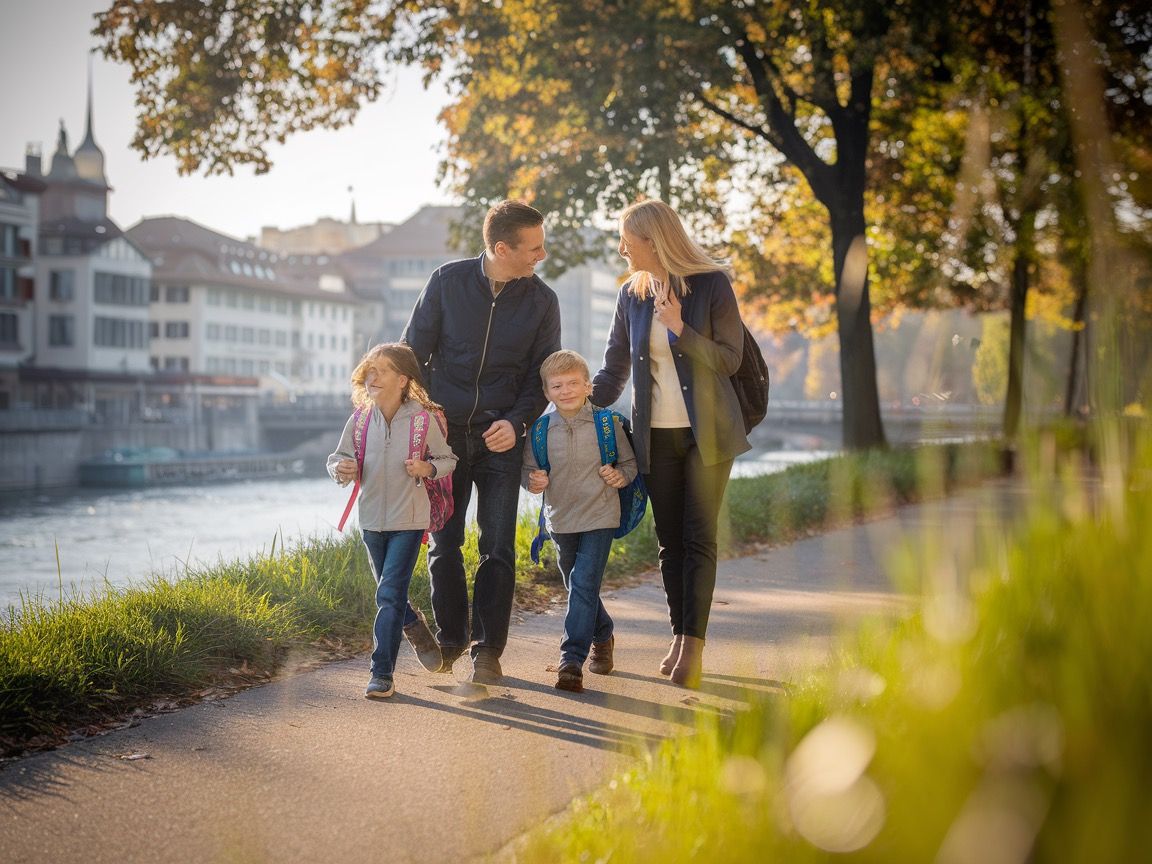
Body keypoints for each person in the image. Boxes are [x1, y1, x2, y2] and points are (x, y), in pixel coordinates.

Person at [591, 199, 750, 689]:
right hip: (653, 440)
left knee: (699, 537)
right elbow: (616, 367)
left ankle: (694, 645)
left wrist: (681, 327)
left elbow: (730, 360)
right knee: (669, 543)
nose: (621, 249)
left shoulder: (712, 285)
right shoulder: (630, 296)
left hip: (708, 435)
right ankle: (679, 635)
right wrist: (573, 411)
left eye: (627, 240)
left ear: (653, 241)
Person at [402, 200, 561, 684]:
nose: (541, 255)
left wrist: (516, 422)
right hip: (444, 443)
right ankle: (452, 639)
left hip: (501, 440)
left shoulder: (543, 302)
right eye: (533, 248)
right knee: (444, 546)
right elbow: (413, 356)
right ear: (501, 248)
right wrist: (426, 419)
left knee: (497, 548)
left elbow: (543, 379)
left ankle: (488, 650)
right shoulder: (447, 282)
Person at [328, 343, 458, 699]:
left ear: (402, 379)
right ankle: (413, 625)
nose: (373, 376)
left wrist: (427, 468)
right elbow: (336, 459)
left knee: (387, 594)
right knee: (391, 594)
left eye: (382, 370)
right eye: (369, 369)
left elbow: (448, 459)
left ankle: (381, 673)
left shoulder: (422, 419)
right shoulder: (358, 421)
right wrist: (342, 469)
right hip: (370, 520)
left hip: (409, 519)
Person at [523, 349, 637, 693]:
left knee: (584, 583)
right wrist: (533, 481)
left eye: (574, 383)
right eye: (557, 386)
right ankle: (603, 635)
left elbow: (630, 465)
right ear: (547, 393)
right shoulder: (540, 430)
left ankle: (571, 659)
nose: (566, 390)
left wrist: (620, 476)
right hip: (560, 520)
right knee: (577, 586)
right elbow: (529, 471)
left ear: (588, 385)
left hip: (601, 515)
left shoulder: (608, 424)